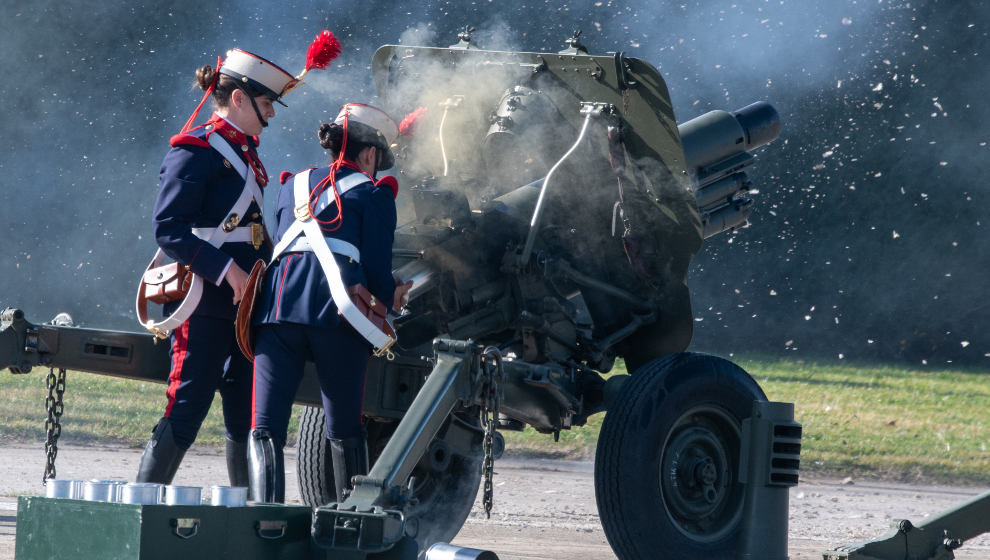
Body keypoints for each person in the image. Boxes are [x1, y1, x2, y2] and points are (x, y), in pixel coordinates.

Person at [135, 48, 298, 486]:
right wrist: (229, 271)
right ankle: (142, 509)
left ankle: (246, 522)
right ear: (240, 99)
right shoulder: (196, 150)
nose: (271, 117)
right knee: (185, 408)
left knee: (246, 419)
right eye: (266, 106)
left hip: (246, 309)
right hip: (205, 302)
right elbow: (169, 230)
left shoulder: (246, 157)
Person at [247, 104, 412, 503]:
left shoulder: (291, 185)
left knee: (265, 428)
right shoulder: (375, 195)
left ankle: (261, 522)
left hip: (277, 312)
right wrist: (395, 295)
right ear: (370, 154)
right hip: (338, 318)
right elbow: (374, 271)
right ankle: (349, 527)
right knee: (343, 429)